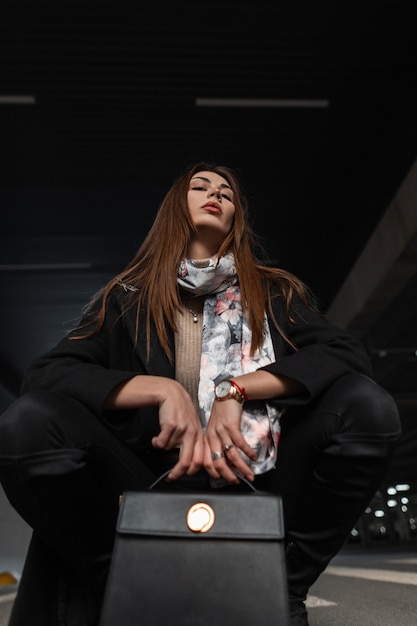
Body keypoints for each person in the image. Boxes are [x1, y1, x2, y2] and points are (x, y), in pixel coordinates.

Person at [0, 162, 401, 626]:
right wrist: (163, 390)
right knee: (27, 423)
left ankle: (285, 585)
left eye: (226, 193)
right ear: (178, 206)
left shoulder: (271, 292)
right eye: (200, 187)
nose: (215, 195)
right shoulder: (126, 297)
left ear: (235, 218)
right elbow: (48, 374)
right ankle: (118, 580)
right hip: (149, 477)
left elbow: (343, 354)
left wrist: (235, 392)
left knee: (367, 407)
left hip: (256, 476)